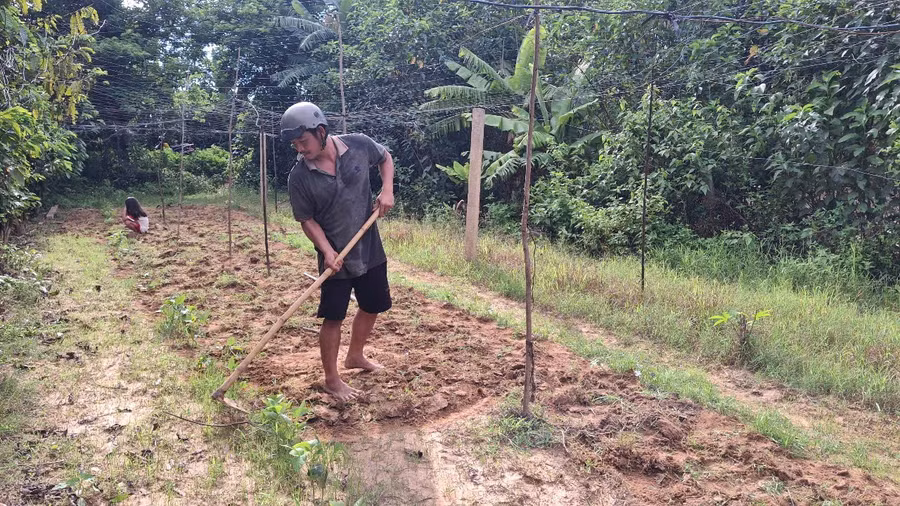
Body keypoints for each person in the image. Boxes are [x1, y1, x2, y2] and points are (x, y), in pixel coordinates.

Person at [283, 102, 395, 402]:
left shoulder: (358, 145)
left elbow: (385, 158)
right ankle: (332, 379)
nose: (300, 148)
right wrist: (327, 251)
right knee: (333, 317)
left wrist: (387, 190)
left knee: (372, 305)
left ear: (321, 132)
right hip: (335, 255)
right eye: (295, 144)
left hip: (369, 246)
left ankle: (355, 356)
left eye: (303, 141)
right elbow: (307, 221)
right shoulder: (299, 177)